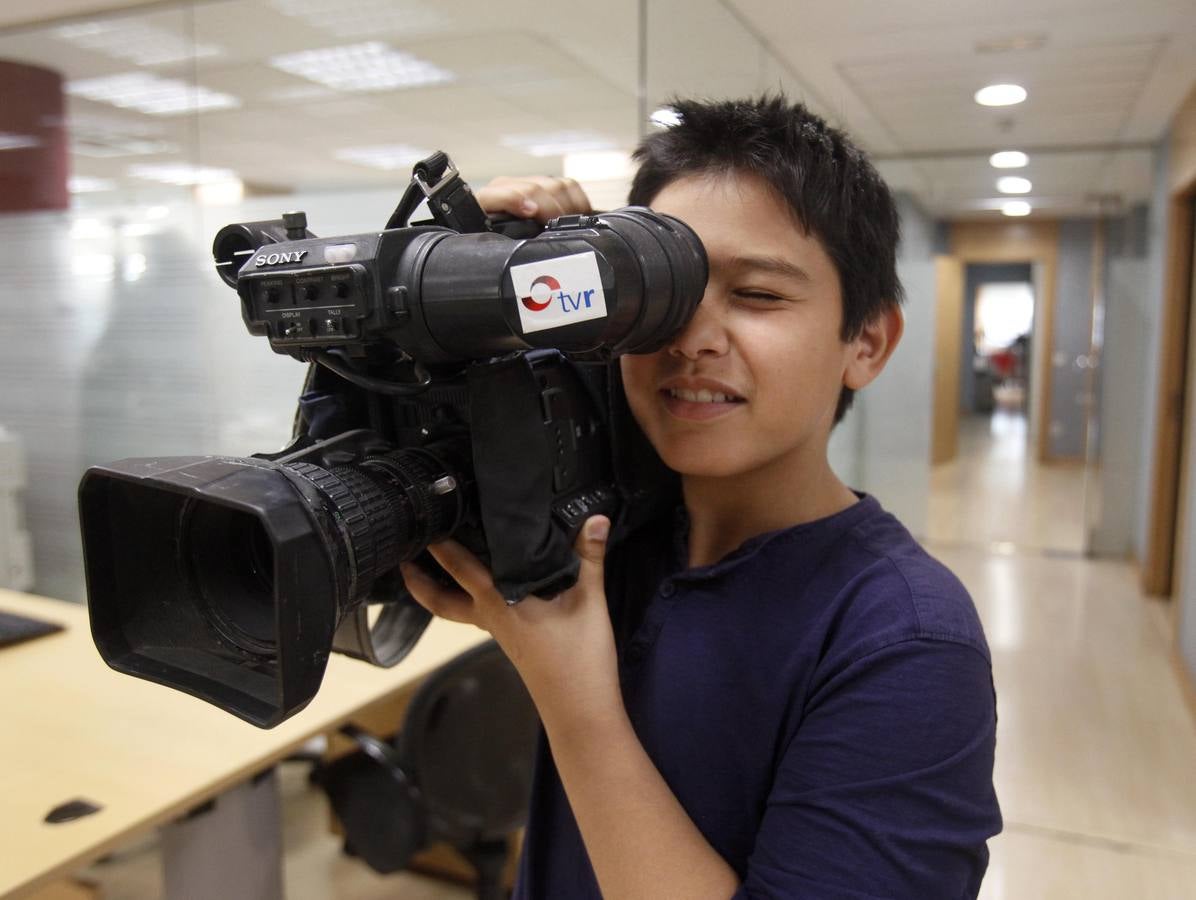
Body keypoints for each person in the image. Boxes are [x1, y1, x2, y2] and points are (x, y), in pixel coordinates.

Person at [399, 95, 1002, 899]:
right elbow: (381, 471)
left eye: (757, 296)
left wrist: (575, 701)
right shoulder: (602, 530)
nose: (691, 339)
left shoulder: (904, 639)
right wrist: (465, 271)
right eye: (666, 295)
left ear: (867, 341)